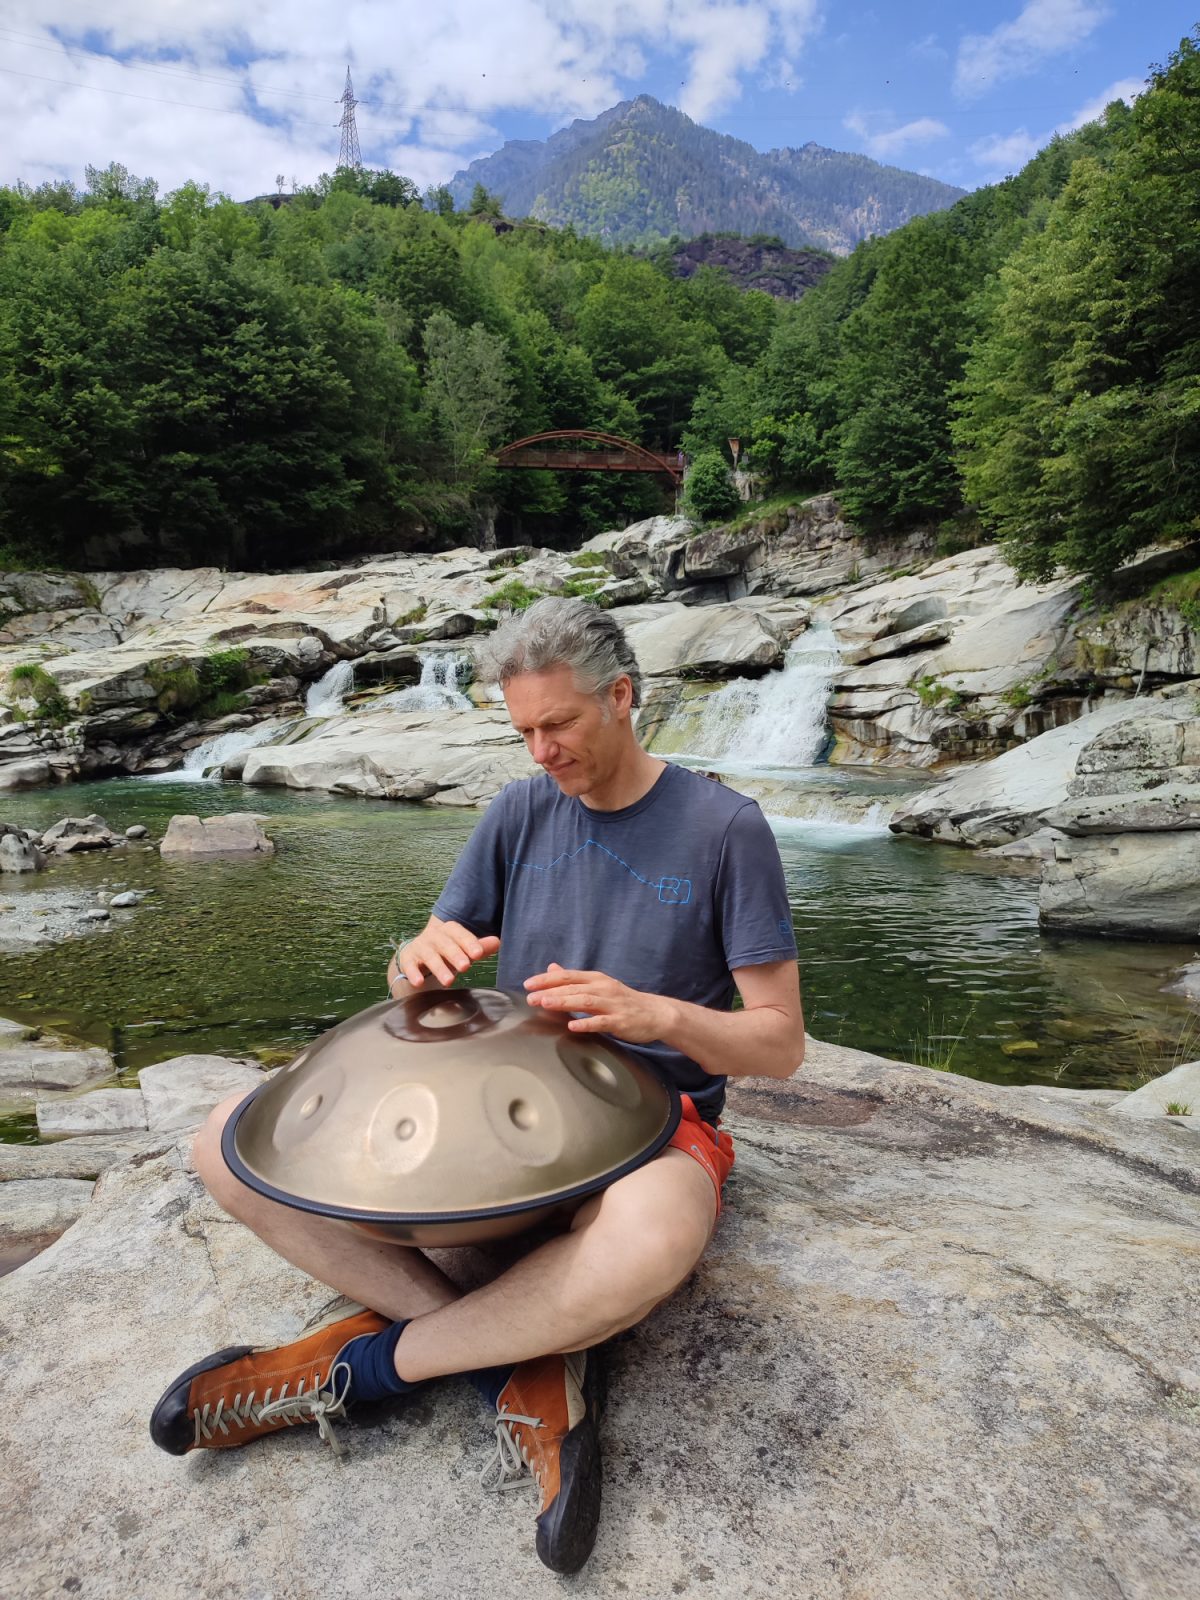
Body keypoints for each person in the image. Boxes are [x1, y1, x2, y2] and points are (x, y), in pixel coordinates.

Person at [150, 596, 804, 1574]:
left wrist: (657, 1015)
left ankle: (363, 1368)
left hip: (652, 1131)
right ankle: (519, 1366)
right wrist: (411, 964)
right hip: (496, 1134)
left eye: (560, 724)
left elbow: (780, 1043)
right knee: (223, 1145)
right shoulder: (519, 811)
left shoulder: (725, 829)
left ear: (623, 696)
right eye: (524, 731)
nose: (542, 751)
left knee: (652, 1238)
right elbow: (418, 965)